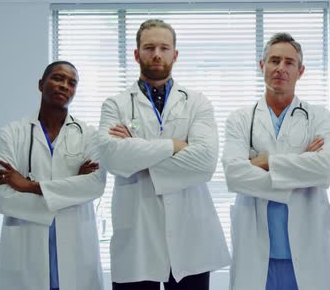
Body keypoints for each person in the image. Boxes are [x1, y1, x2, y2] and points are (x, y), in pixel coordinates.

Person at [97, 19, 230, 290]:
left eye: (164, 47)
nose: (156, 54)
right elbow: (113, 158)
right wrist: (174, 145)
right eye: (149, 47)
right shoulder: (116, 104)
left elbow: (205, 162)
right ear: (136, 54)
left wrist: (138, 153)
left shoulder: (197, 101)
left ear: (175, 54)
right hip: (137, 234)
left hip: (189, 235)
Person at [222, 32, 330, 290]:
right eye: (274, 61)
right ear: (261, 65)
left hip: (307, 248)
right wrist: (299, 165)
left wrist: (264, 161)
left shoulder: (320, 118)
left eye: (289, 62)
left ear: (301, 71)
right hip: (256, 252)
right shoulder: (240, 119)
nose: (281, 69)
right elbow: (234, 174)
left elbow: (323, 171)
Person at [0, 61, 106, 290]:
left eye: (72, 83)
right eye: (57, 78)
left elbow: (94, 185)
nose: (64, 86)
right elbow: (1, 195)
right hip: (27, 250)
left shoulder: (88, 135)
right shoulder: (12, 134)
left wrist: (29, 186)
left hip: (75, 250)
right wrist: (70, 190)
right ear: (41, 84)